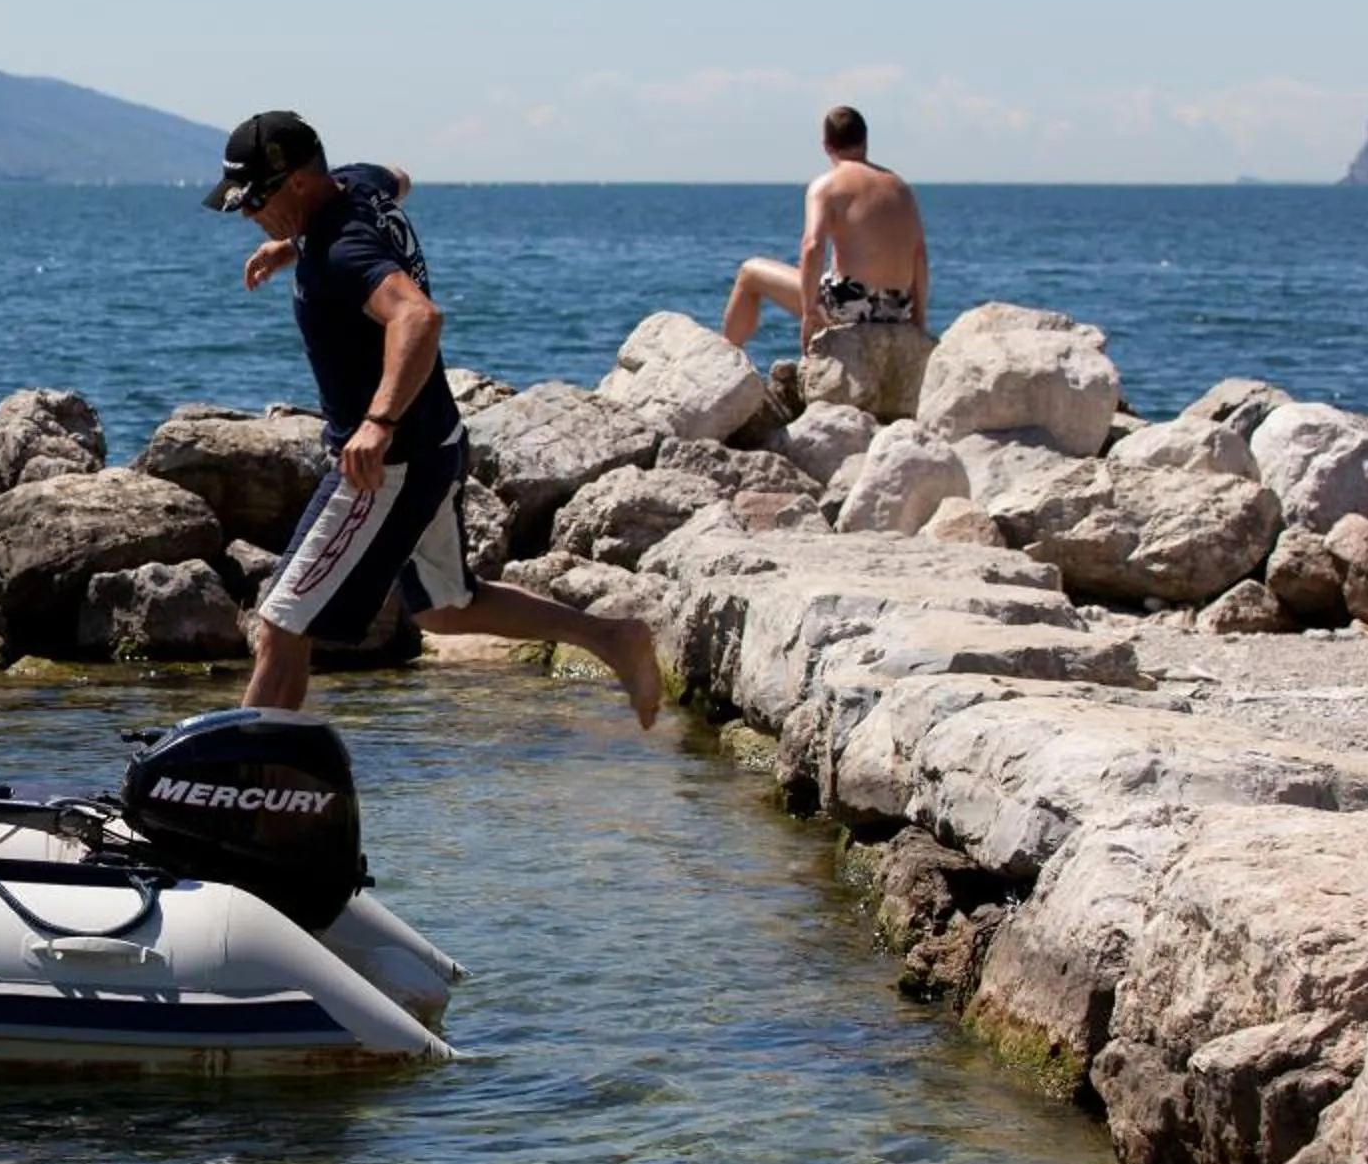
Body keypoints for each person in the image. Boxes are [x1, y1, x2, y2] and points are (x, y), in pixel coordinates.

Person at [207, 111, 661, 725]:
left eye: (254, 200)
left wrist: (377, 422)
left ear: (298, 183)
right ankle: (612, 637)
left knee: (282, 626)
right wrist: (293, 244)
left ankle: (246, 777)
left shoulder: (341, 250)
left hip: (384, 468)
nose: (246, 215)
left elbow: (418, 317)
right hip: (437, 442)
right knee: (447, 606)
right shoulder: (356, 184)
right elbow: (400, 177)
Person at [721, 105, 930, 349]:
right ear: (865, 141)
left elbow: (813, 246)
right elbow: (919, 254)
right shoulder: (900, 187)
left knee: (750, 272)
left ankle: (729, 354)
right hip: (897, 308)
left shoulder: (826, 186)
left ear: (827, 146)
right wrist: (919, 317)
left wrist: (809, 313)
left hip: (851, 306)